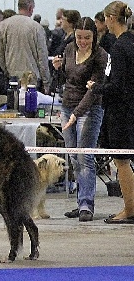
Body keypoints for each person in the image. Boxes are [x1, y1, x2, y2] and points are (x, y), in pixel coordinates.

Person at [52, 17, 107, 222]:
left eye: (87, 38)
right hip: (67, 106)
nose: (82, 42)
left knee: (85, 157)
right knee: (74, 157)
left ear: (95, 37)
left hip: (89, 109)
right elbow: (66, 78)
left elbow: (93, 91)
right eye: (79, 37)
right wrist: (57, 68)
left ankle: (86, 204)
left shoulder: (101, 56)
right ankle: (80, 200)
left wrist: (77, 114)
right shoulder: (68, 49)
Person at [87, 1, 134, 224]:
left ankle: (130, 209)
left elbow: (117, 86)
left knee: (121, 161)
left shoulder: (118, 48)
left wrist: (95, 87)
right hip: (129, 109)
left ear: (111, 19)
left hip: (121, 113)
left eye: (106, 18)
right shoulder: (131, 42)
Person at [0, 0, 50, 93]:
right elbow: (42, 56)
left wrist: (7, 71)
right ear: (30, 8)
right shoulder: (36, 27)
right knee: (31, 105)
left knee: (14, 103)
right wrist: (46, 82)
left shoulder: (4, 25)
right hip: (32, 78)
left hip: (12, 76)